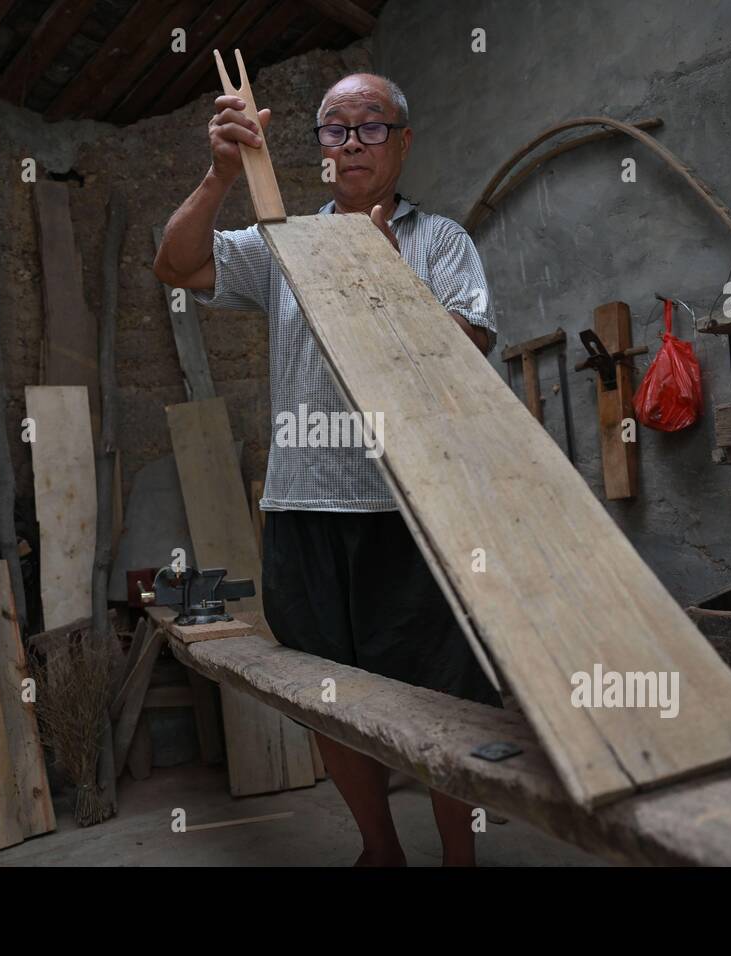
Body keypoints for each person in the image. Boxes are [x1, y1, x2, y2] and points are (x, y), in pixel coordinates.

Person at [154, 72, 501, 866]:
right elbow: (177, 264)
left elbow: (469, 349)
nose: (351, 144)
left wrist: (391, 283)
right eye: (334, 130)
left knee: (446, 696)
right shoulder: (287, 242)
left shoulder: (440, 242)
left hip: (413, 509)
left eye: (371, 127)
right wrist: (220, 175)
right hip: (305, 507)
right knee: (326, 695)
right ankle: (381, 848)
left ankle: (461, 858)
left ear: (404, 143)